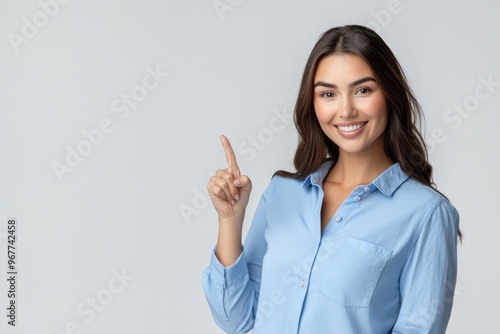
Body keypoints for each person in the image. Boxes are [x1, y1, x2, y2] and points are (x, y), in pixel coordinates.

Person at [202, 25, 460, 334]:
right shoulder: (284, 194)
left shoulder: (426, 213)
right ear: (312, 104)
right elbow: (238, 320)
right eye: (328, 94)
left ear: (390, 94)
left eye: (363, 90)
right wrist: (230, 220)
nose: (346, 110)